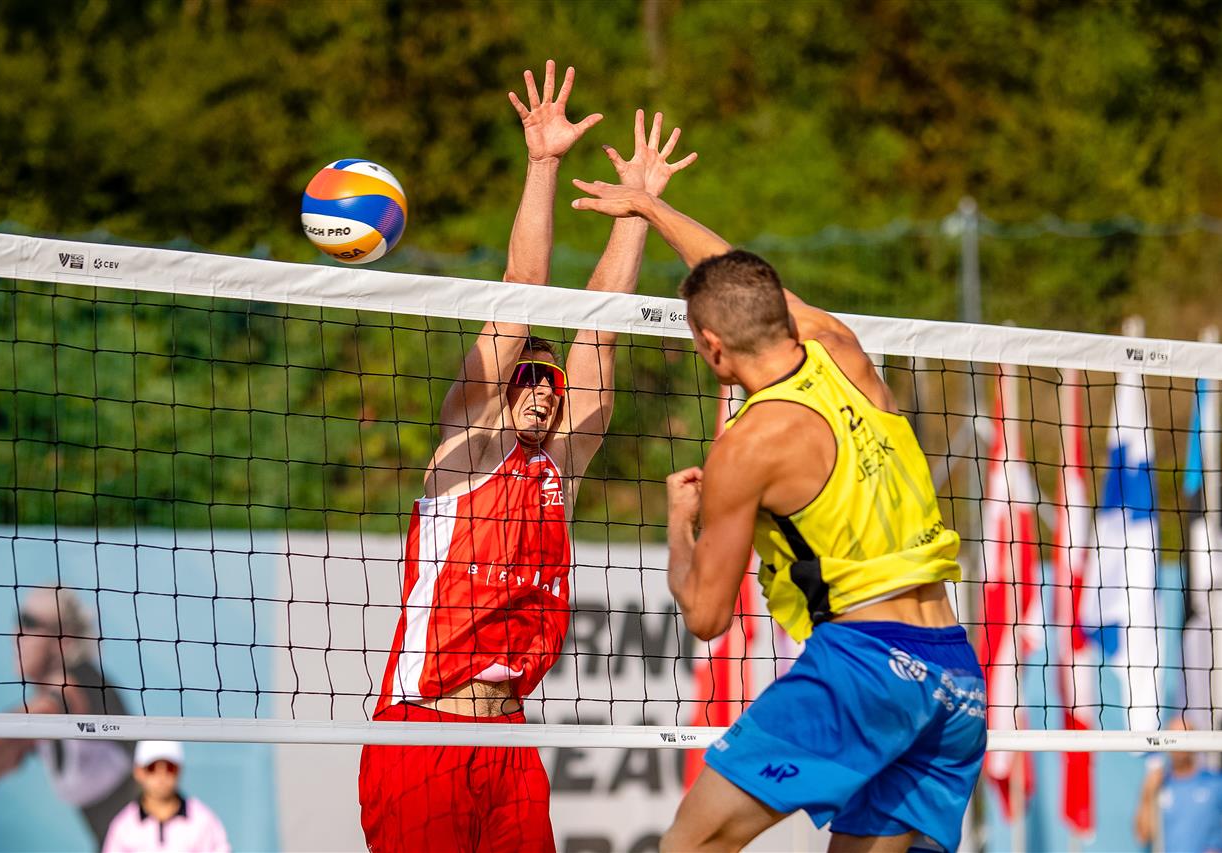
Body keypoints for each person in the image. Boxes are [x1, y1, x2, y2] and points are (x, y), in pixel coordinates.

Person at [573, 183, 986, 852]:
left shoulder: (747, 446)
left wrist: (680, 523)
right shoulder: (841, 350)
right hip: (953, 676)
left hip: (867, 667)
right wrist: (652, 207)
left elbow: (707, 616)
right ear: (781, 315)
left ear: (713, 347)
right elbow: (741, 282)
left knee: (688, 845)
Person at [357, 60, 696, 853]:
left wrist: (637, 208)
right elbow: (522, 284)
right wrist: (543, 162)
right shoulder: (466, 448)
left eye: (551, 380)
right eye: (527, 377)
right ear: (500, 389)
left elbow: (600, 328)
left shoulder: (557, 470)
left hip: (510, 744)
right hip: (422, 738)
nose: (543, 389)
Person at [0, 588, 139, 846]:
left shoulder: (77, 685)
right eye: (17, 620)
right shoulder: (46, 724)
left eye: (29, 623)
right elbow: (5, 753)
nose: (16, 634)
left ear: (64, 640)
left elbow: (42, 712)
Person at [102, 741, 230, 853]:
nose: (161, 776)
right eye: (152, 768)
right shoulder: (123, 826)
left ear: (179, 770)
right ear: (138, 772)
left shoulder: (203, 821)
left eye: (170, 768)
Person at [1135, 718, 1222, 853]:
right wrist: (1148, 792)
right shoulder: (1159, 785)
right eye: (1173, 737)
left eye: (1183, 736)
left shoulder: (1216, 781)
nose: (1178, 743)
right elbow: (1143, 835)